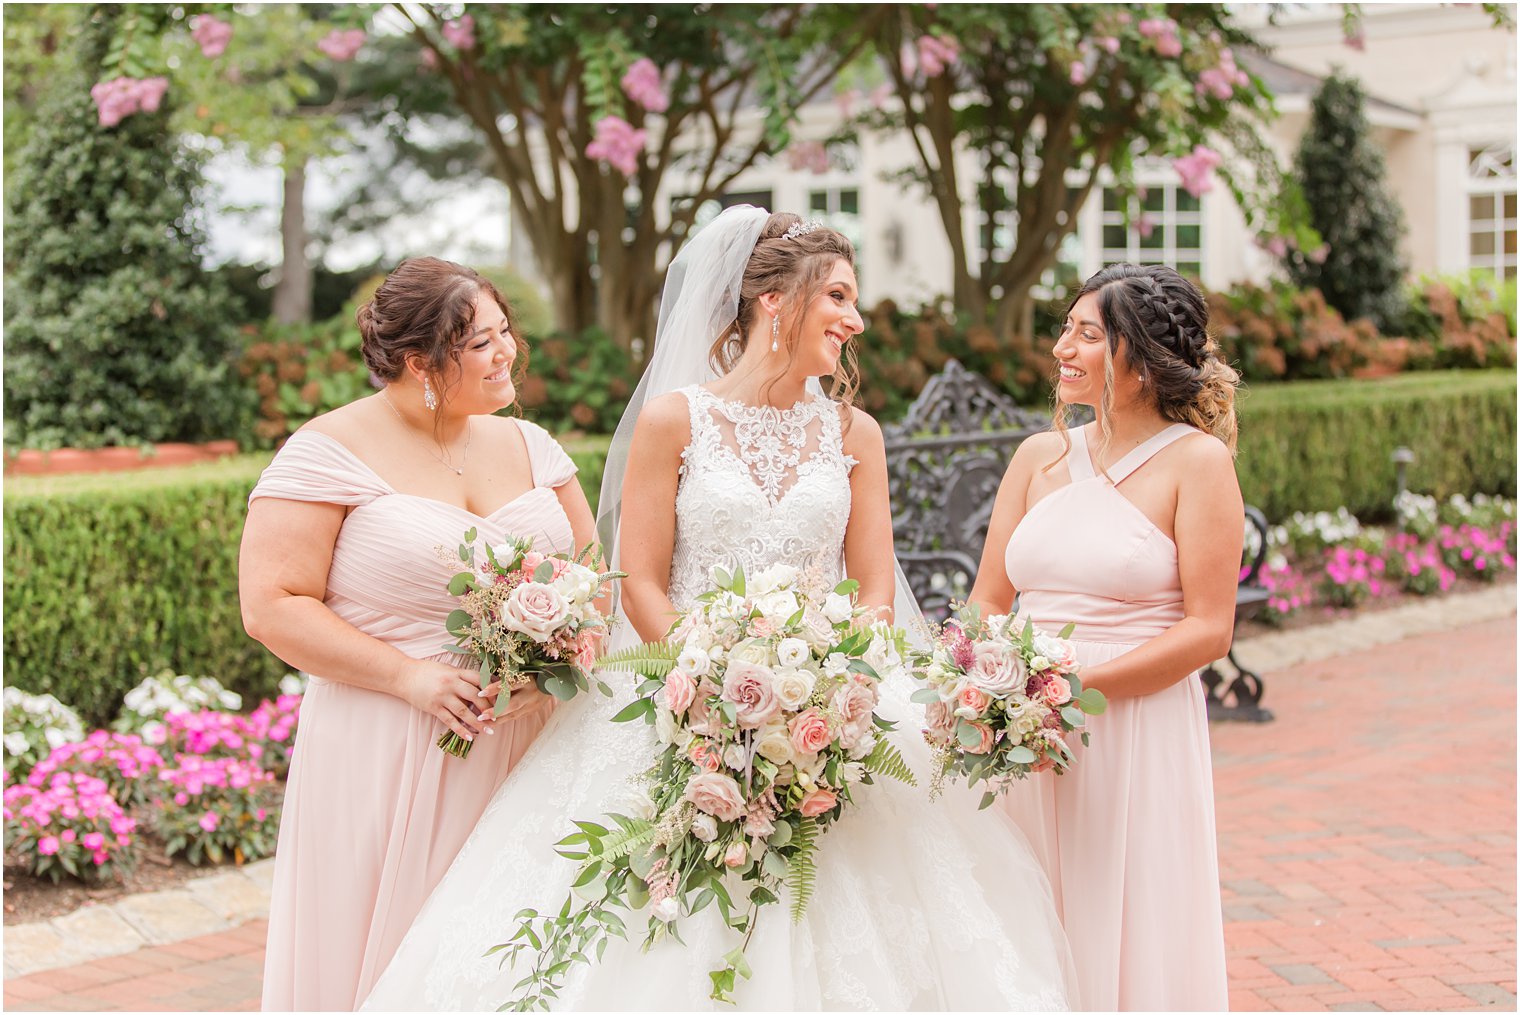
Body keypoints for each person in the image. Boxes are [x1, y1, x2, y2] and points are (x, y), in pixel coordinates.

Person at [362, 208, 1075, 1010]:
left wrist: (835, 679)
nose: (856, 318)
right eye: (838, 295)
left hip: (828, 707)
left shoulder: (854, 431)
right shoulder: (676, 420)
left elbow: (876, 585)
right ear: (776, 301)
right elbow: (639, 578)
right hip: (678, 697)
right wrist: (702, 682)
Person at [241, 257, 599, 1011]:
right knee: (393, 949)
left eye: (507, 333)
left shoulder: (532, 446)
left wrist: (561, 656)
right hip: (390, 739)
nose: (507, 354)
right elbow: (272, 603)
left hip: (530, 740)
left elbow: (593, 577)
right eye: (482, 344)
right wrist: (411, 676)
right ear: (419, 363)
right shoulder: (326, 451)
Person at [968, 263, 1240, 1010]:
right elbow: (989, 597)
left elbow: (1209, 628)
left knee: (1123, 907)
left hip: (1131, 723)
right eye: (1066, 328)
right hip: (1020, 722)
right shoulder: (1038, 456)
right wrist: (982, 686)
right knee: (1024, 908)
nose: (1063, 347)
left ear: (1142, 357)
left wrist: (1073, 690)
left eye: (1087, 333)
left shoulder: (1198, 463)